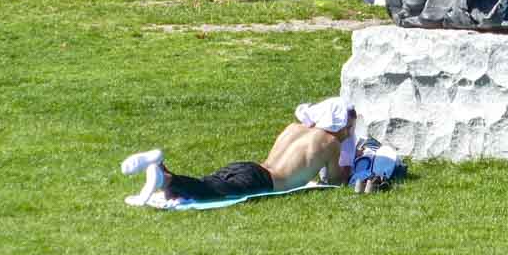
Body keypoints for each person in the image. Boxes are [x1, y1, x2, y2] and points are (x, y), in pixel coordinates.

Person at [120, 97, 355, 206]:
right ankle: (164, 178)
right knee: (209, 192)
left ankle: (161, 171)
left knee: (206, 184)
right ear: (341, 124)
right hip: (265, 181)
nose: (349, 132)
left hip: (250, 167)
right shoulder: (329, 143)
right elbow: (335, 181)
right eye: (349, 127)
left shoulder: (295, 128)